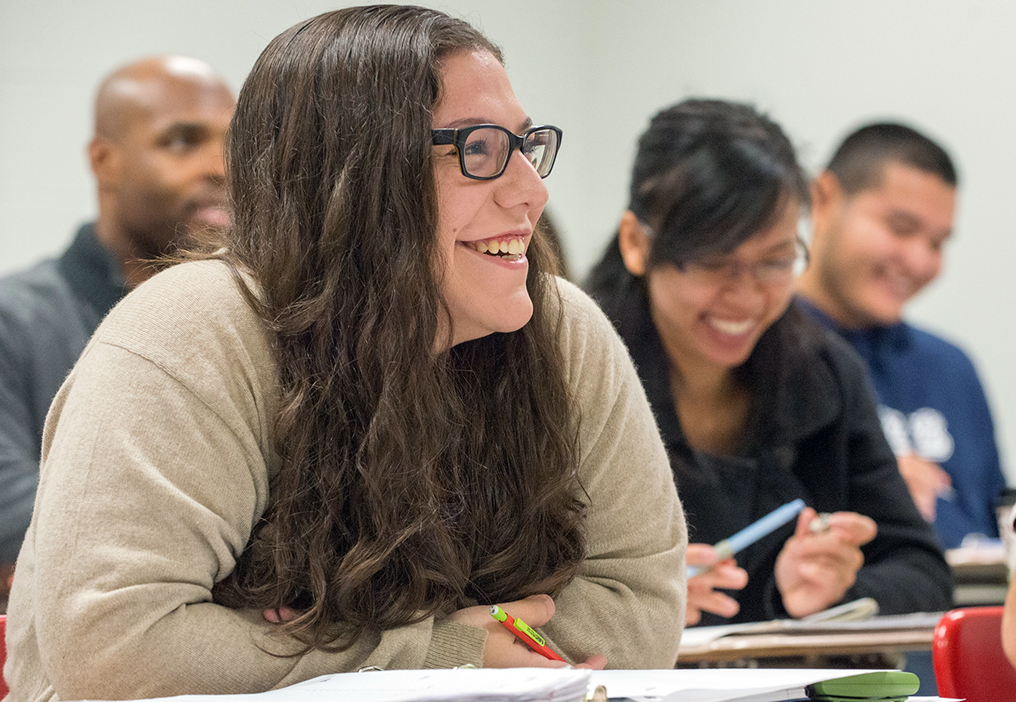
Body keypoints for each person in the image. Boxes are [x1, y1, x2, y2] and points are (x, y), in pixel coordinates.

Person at [4, 7, 687, 701]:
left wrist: (285, 643)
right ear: (357, 175)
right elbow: (117, 650)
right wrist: (445, 650)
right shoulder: (190, 331)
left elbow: (641, 618)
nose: (532, 192)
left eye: (525, 144)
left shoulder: (564, 331)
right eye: (480, 149)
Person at [585, 99, 951, 627]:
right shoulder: (567, 371)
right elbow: (496, 594)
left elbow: (922, 572)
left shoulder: (822, 372)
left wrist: (830, 589)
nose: (748, 297)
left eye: (776, 262)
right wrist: (627, 605)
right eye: (716, 264)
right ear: (637, 243)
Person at [0, 55, 234, 571]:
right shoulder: (13, 320)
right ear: (104, 159)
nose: (221, 166)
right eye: (182, 141)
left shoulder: (264, 320)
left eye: (235, 143)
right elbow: (12, 519)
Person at [795, 123, 1007, 550]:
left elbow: (995, 517)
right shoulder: (765, 352)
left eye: (937, 242)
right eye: (900, 228)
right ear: (824, 200)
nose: (919, 260)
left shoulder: (950, 367)